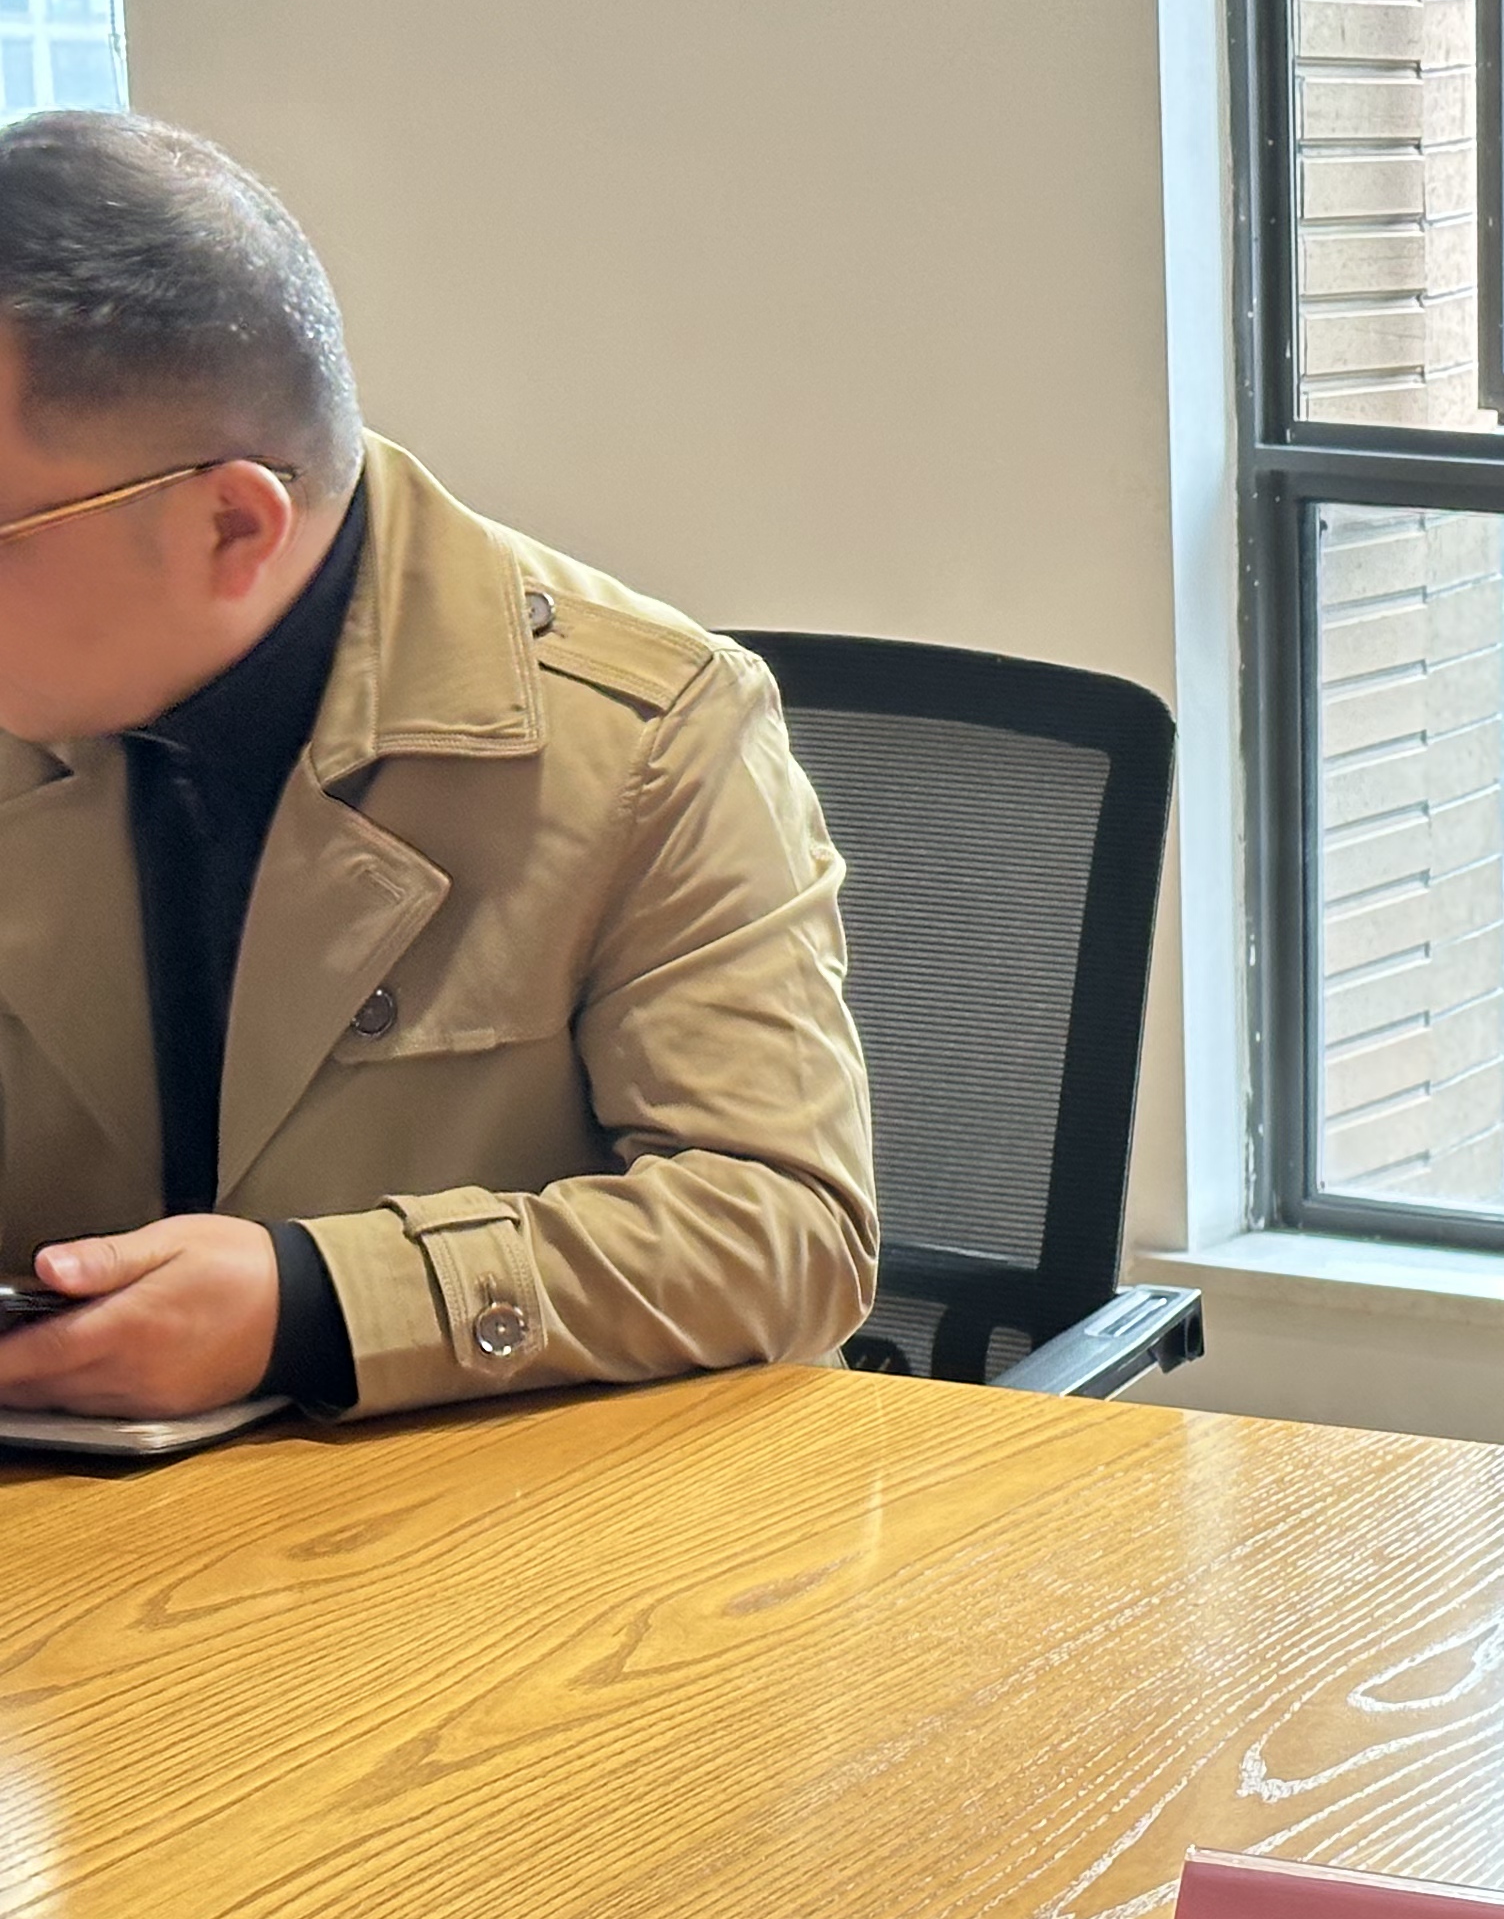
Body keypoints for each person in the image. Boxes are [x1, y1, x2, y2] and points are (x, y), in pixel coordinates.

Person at [0, 111, 873, 1422]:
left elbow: (786, 1234)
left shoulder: (649, 731)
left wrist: (317, 1304)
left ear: (232, 523)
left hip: (496, 1509)